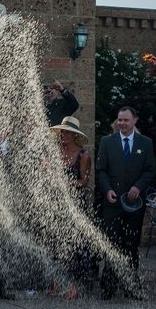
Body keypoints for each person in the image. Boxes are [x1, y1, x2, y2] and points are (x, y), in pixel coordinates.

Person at [96, 106, 154, 299]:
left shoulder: (145, 143)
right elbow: (101, 170)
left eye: (126, 120)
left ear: (134, 121)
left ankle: (130, 285)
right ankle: (109, 285)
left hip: (134, 205)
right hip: (112, 204)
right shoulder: (107, 142)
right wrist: (107, 189)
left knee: (131, 245)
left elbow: (149, 171)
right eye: (119, 120)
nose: (122, 123)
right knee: (112, 243)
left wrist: (138, 186)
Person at [50, 116, 91, 299]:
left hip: (75, 204)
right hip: (57, 203)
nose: (63, 135)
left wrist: (68, 182)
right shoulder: (55, 152)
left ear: (75, 135)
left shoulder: (83, 155)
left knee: (73, 245)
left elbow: (84, 181)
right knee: (55, 244)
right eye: (62, 132)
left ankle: (73, 286)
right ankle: (56, 283)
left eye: (67, 132)